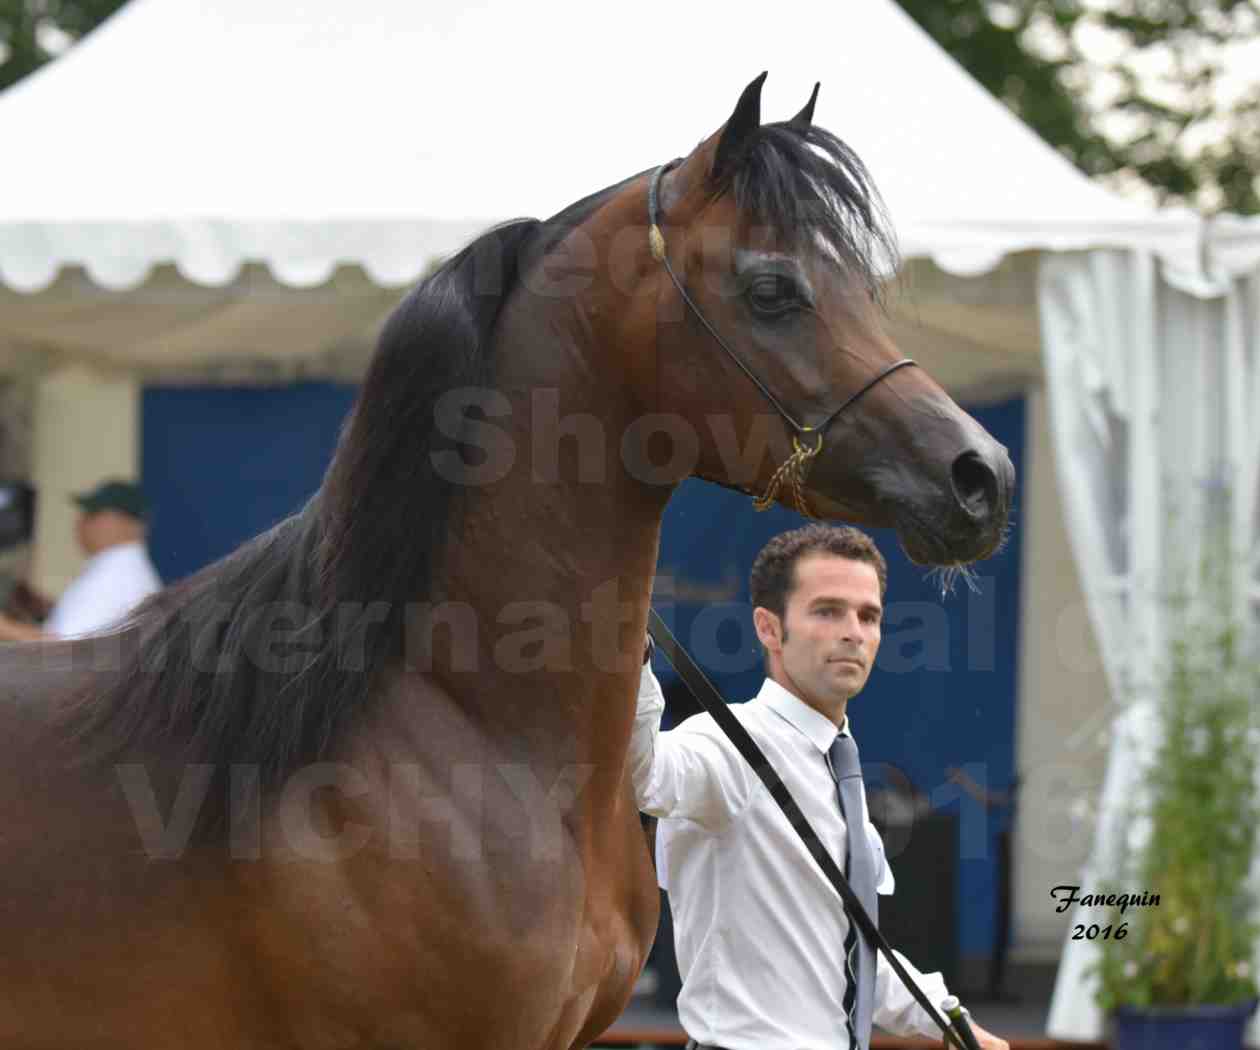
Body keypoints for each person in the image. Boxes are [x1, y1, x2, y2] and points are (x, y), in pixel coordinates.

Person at [630, 523, 1009, 1050]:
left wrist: (949, 1019)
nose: (853, 631)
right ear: (768, 628)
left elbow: (852, 959)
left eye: (868, 615)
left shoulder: (842, 767)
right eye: (827, 611)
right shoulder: (726, 746)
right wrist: (634, 652)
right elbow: (644, 775)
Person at [0, 479, 161, 641]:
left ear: (120, 520)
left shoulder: (120, 573)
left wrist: (6, 629)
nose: (80, 521)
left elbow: (67, 650)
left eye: (92, 513)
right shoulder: (120, 566)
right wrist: (44, 607)